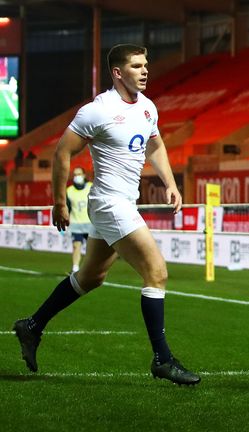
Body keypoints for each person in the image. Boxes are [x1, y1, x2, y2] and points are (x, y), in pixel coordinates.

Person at [12, 44, 200, 385]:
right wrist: (59, 202)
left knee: (90, 277)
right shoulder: (97, 111)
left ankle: (32, 325)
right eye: (137, 66)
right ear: (117, 72)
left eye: (146, 65)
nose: (145, 71)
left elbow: (154, 144)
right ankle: (163, 359)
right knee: (156, 272)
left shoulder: (147, 108)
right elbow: (62, 153)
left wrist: (170, 182)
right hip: (110, 203)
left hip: (123, 202)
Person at [65, 167, 92, 274]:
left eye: (79, 174)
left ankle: (90, 268)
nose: (77, 177)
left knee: (92, 248)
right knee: (76, 246)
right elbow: (67, 207)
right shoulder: (69, 190)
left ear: (84, 175)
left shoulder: (91, 187)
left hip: (91, 224)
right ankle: (75, 268)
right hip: (76, 223)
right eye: (75, 175)